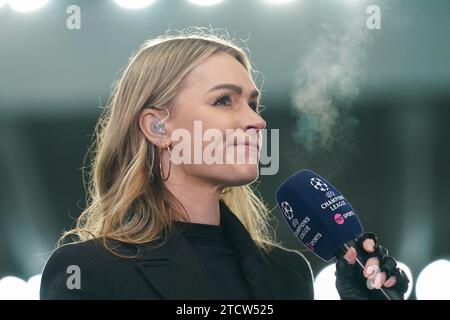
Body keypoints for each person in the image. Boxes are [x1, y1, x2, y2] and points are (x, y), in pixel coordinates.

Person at [40, 30, 409, 300]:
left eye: (253, 103)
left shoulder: (288, 274)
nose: (257, 121)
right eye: (223, 101)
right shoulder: (89, 272)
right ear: (157, 126)